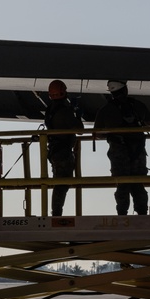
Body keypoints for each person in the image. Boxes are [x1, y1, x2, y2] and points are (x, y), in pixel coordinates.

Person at [94, 79, 150, 216]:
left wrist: (111, 134)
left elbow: (96, 134)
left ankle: (122, 214)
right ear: (125, 90)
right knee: (138, 184)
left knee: (122, 184)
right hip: (138, 152)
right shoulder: (138, 105)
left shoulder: (105, 110)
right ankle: (142, 213)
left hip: (118, 153)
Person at [43, 79, 83, 217]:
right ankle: (57, 213)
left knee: (59, 182)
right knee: (62, 183)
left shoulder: (51, 110)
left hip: (54, 150)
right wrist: (77, 115)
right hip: (63, 152)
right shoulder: (64, 112)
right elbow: (80, 130)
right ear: (63, 92)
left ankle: (56, 212)